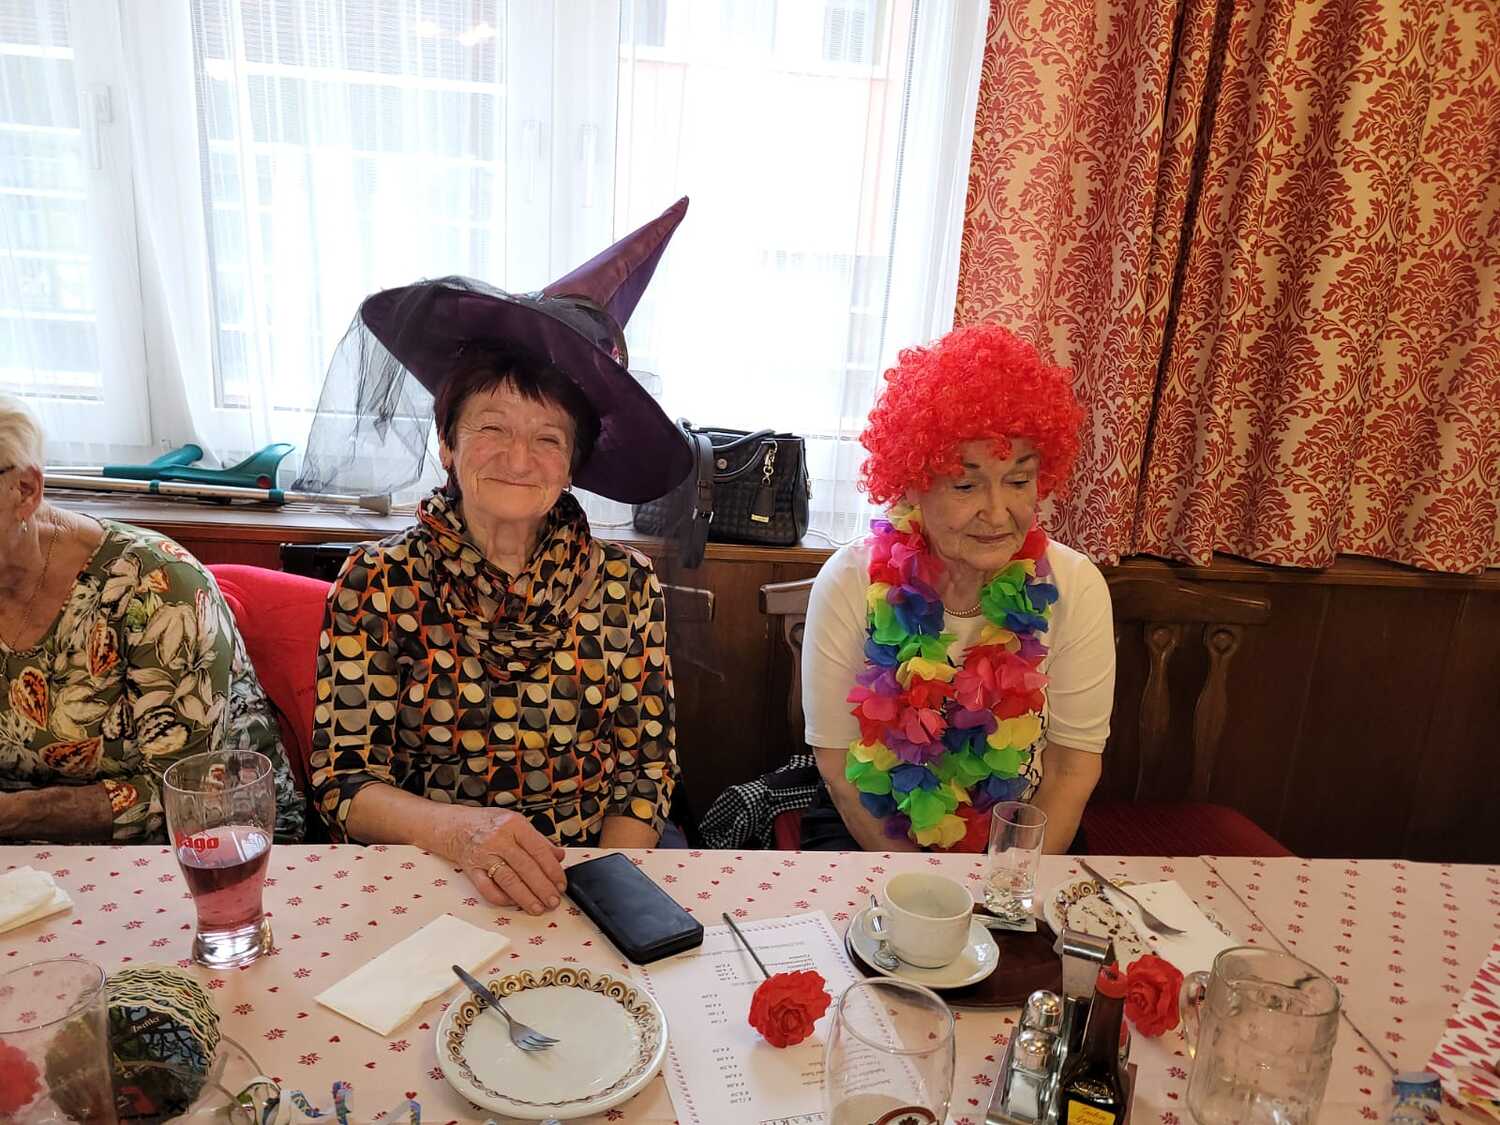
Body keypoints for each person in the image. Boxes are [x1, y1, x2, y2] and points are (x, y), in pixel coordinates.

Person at [308, 200, 694, 915]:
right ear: (447, 444)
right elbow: (345, 782)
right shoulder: (377, 584)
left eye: (548, 438)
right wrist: (461, 834)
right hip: (431, 879)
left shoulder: (627, 586)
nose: (520, 459)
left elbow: (645, 774)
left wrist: (599, 898)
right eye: (492, 428)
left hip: (586, 878)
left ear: (571, 465)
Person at [800, 325, 1114, 854]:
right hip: (873, 825)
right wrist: (923, 891)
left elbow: (1070, 769)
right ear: (912, 484)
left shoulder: (1075, 586)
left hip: (1021, 836)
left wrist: (1009, 882)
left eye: (1019, 481)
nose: (998, 512)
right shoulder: (849, 580)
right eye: (966, 485)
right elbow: (836, 765)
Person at [0, 394, 304, 844]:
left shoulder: (155, 587)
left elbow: (188, 791)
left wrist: (20, 815)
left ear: (25, 490)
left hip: (211, 847)